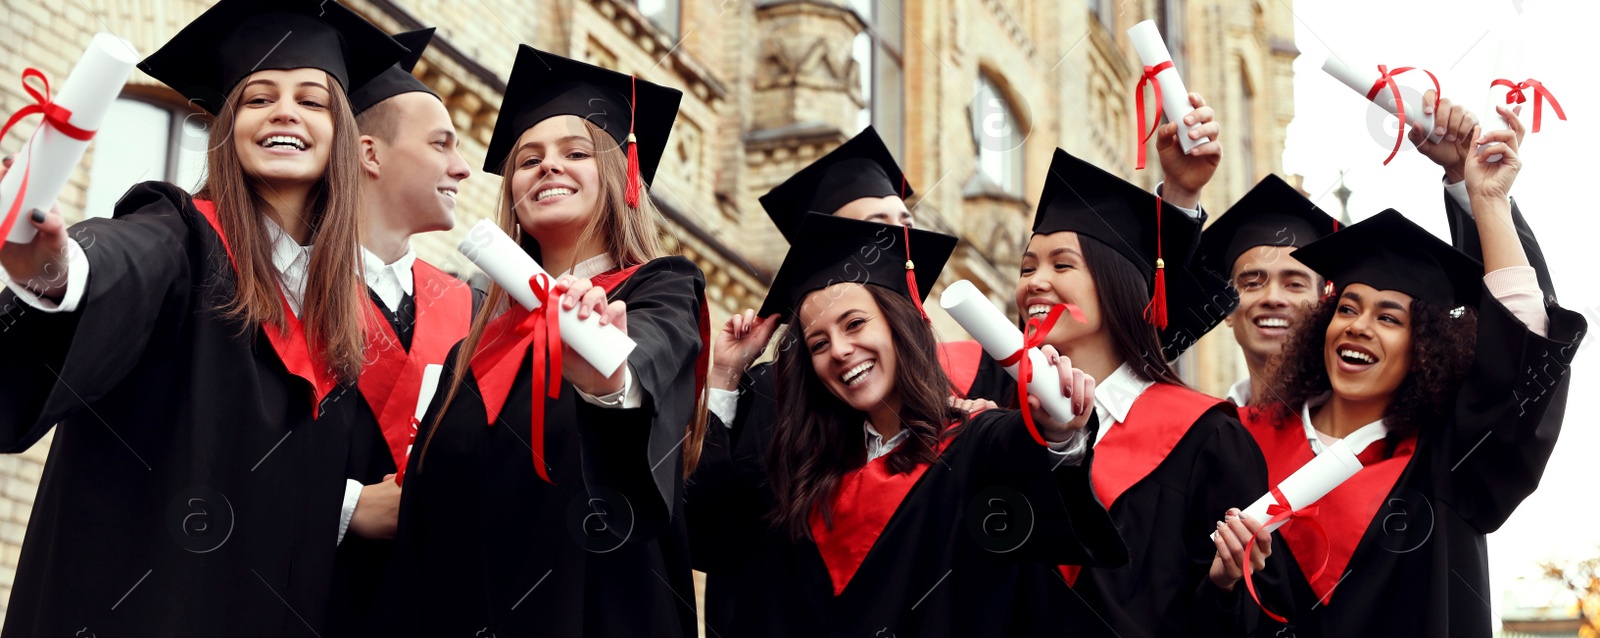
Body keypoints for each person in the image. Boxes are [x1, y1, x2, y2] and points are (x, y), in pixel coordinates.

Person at [0, 1, 406, 635]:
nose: (284, 112)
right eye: (257, 97)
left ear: (345, 138)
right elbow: (120, 260)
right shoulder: (182, 236)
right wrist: (54, 272)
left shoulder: (342, 323)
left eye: (311, 99)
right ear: (227, 127)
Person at [1212, 110, 1585, 638]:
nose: (1359, 326)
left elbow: (1520, 356)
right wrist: (1224, 586)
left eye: (1389, 317)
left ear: (1425, 348)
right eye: (1348, 308)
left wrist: (1485, 198)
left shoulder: (1448, 459)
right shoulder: (1241, 449)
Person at [377, 45, 707, 637]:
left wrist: (608, 378)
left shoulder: (659, 290)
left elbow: (648, 359)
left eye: (575, 153)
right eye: (528, 160)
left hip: (599, 611)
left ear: (620, 174)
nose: (547, 167)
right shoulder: (471, 351)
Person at [694, 212, 1127, 637]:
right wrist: (724, 375)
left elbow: (1042, 490)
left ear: (901, 323)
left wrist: (1057, 432)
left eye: (856, 323)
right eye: (819, 343)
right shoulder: (802, 477)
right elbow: (712, 534)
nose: (841, 350)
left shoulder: (975, 443)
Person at [974, 149, 1267, 637]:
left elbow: (1244, 619)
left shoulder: (1208, 439)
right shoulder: (1005, 429)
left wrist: (1225, 586)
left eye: (1061, 265)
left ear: (1117, 286)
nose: (1035, 283)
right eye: (1027, 269)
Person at [328, 26, 476, 636]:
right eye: (442, 143)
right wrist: (346, 507)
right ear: (369, 154)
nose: (463, 167)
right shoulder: (274, 290)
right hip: (302, 593)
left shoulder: (470, 309)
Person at [1196, 175, 1338, 406]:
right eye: (1252, 283)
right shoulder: (1207, 434)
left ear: (1323, 303)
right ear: (1226, 310)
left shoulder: (1363, 433)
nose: (1272, 298)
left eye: (1294, 284)